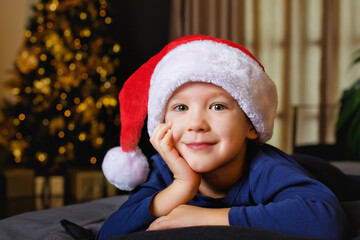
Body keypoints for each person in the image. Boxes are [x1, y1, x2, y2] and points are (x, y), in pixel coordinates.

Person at [97, 35, 347, 240]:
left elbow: (326, 218)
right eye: (181, 108)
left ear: (252, 125)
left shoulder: (267, 169)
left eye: (217, 107)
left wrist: (204, 217)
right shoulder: (163, 170)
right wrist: (182, 186)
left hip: (317, 171)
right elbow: (108, 233)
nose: (196, 124)